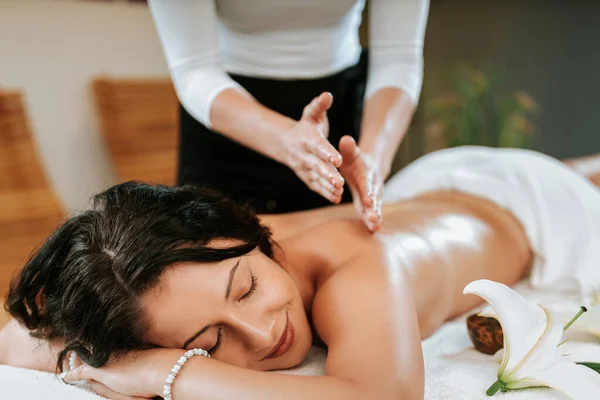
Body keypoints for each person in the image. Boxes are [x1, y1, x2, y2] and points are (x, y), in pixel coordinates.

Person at [2, 145, 600, 400]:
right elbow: (16, 338)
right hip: (430, 194)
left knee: (583, 175)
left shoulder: (359, 263)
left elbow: (382, 399)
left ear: (250, 236)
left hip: (530, 210)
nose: (264, 335)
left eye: (248, 289)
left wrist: (172, 368)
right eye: (211, 342)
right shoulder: (193, 263)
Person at [147, 0, 430, 231]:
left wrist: (372, 159)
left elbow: (399, 57)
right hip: (227, 116)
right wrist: (286, 139)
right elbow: (194, 69)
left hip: (343, 121)